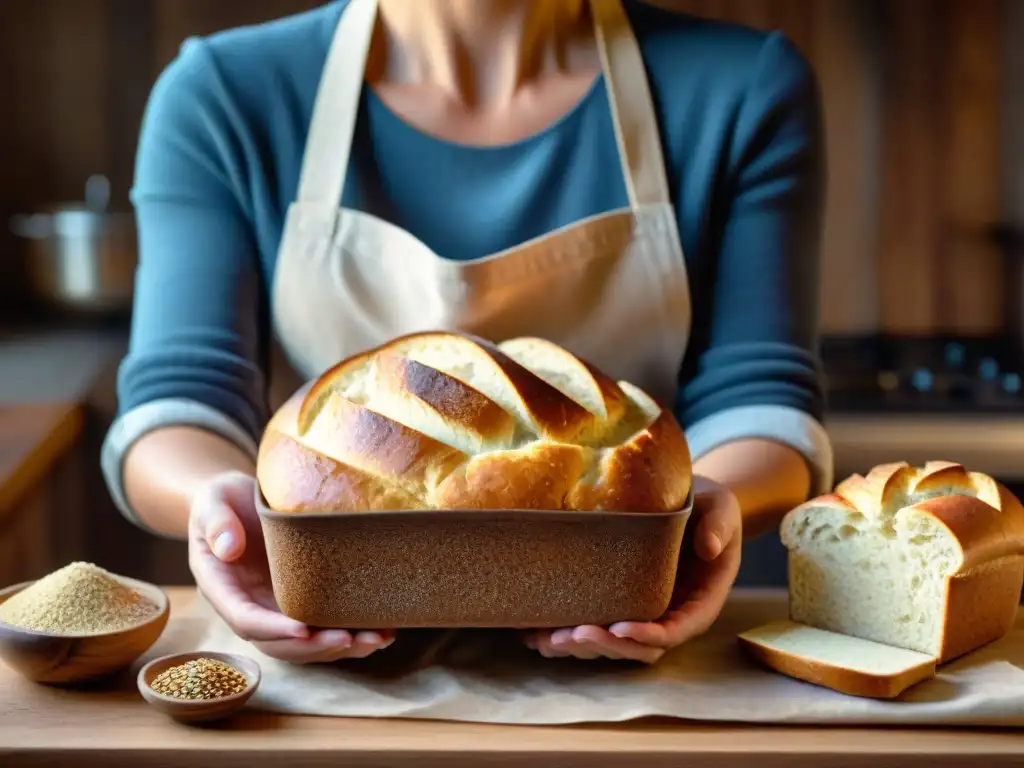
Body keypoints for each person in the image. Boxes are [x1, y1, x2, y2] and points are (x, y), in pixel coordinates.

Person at [101, 0, 833, 666]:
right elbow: (178, 400)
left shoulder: (741, 87)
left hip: (640, 669)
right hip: (340, 688)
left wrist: (695, 516)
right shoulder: (226, 95)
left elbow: (761, 396)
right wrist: (222, 510)